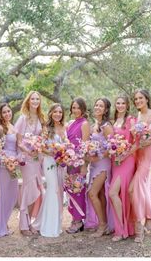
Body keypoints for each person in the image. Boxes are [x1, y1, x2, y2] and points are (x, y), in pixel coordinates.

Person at [129, 89, 151, 243]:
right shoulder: (138, 116)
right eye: (135, 99)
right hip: (138, 155)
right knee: (145, 186)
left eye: (140, 98)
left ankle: (139, 226)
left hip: (148, 155)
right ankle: (149, 220)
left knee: (134, 187)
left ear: (147, 99)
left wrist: (150, 141)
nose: (138, 101)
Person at [32, 103, 66, 237]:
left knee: (58, 192)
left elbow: (66, 145)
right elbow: (41, 147)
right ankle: (48, 226)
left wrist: (63, 154)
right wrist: (54, 153)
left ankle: (51, 222)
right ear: (51, 113)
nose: (58, 114)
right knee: (53, 189)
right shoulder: (46, 128)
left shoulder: (64, 127)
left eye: (60, 112)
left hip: (60, 162)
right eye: (55, 112)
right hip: (49, 161)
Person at [15, 91, 45, 236]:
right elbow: (18, 141)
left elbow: (42, 138)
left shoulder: (40, 118)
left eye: (37, 99)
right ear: (28, 101)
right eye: (32, 99)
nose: (35, 101)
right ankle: (23, 225)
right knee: (29, 189)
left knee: (36, 191)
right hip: (26, 159)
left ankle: (30, 223)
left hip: (37, 158)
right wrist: (29, 150)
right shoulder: (22, 118)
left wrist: (38, 148)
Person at [85, 98, 114, 237]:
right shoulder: (94, 125)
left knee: (92, 193)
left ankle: (102, 225)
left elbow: (112, 146)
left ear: (106, 109)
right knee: (100, 194)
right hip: (93, 163)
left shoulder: (107, 126)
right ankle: (106, 223)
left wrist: (99, 156)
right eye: (96, 105)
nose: (97, 107)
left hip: (103, 164)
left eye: (101, 106)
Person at [109, 95, 136, 241]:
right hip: (115, 161)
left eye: (123, 103)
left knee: (113, 193)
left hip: (127, 160)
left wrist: (123, 156)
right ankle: (124, 228)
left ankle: (121, 230)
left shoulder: (131, 120)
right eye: (118, 103)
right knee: (118, 194)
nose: (120, 105)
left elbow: (136, 142)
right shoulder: (114, 122)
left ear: (127, 105)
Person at [66, 97, 90, 233]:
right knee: (71, 190)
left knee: (78, 190)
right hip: (69, 162)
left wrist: (83, 165)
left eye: (78, 108)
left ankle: (78, 221)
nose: (76, 110)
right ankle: (74, 218)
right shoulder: (71, 123)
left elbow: (85, 146)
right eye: (73, 107)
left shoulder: (84, 124)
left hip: (79, 162)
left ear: (83, 109)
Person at [0, 103, 19, 237]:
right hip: (3, 165)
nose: (7, 114)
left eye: (8, 111)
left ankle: (4, 223)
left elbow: (16, 147)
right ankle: (0, 228)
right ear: (0, 114)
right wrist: (6, 161)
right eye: (4, 112)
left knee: (13, 193)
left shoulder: (13, 126)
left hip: (13, 164)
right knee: (4, 195)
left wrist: (16, 160)